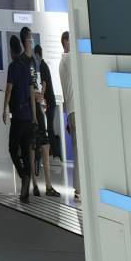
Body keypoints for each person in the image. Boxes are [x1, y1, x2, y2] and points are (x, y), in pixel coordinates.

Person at [2, 30, 38, 202]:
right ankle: (25, 195)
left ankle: (23, 175)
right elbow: (32, 91)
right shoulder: (26, 65)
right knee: (25, 152)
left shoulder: (13, 67)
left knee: (12, 148)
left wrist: (4, 109)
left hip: (17, 115)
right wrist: (34, 116)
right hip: (28, 115)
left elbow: (9, 89)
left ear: (11, 50)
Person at [34, 38, 60, 197]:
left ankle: (55, 155)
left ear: (37, 55)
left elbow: (43, 84)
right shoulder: (44, 66)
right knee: (49, 129)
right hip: (50, 102)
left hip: (50, 102)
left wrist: (40, 97)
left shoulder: (42, 66)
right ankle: (53, 155)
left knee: (49, 129)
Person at [59, 28, 78, 197]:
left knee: (76, 150)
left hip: (71, 111)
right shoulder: (71, 58)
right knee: (79, 152)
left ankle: (78, 187)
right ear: (66, 42)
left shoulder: (61, 63)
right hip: (75, 110)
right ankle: (79, 188)